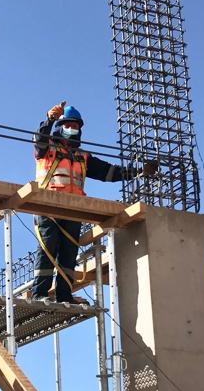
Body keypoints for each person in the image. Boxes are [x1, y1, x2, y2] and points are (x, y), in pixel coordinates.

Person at [31, 102, 158, 303]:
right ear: (60, 127)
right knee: (48, 247)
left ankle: (64, 295)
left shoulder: (82, 157)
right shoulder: (47, 149)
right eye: (68, 125)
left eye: (75, 126)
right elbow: (39, 139)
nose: (72, 129)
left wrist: (138, 171)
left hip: (74, 209)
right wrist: (49, 119)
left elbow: (109, 172)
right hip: (49, 206)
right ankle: (39, 294)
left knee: (69, 253)